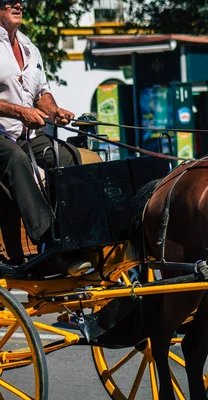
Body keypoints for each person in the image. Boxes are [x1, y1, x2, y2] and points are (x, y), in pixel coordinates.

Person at [0, 1, 86, 271]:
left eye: (21, 1)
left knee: (67, 157)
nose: (18, 5)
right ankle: (46, 239)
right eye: (9, 0)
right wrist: (18, 111)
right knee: (15, 159)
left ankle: (69, 236)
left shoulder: (29, 46)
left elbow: (42, 94)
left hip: (28, 132)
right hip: (2, 134)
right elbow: (22, 108)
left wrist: (54, 110)